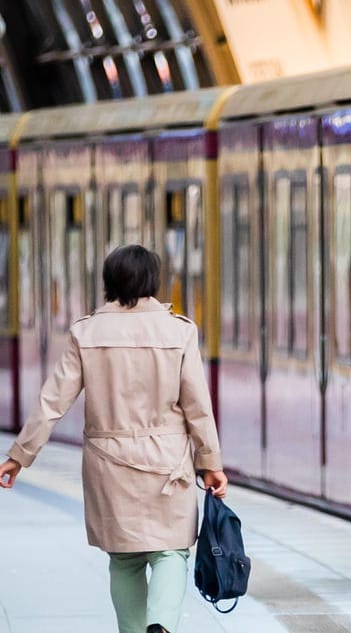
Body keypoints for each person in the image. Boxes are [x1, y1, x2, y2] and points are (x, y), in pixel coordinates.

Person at [0, 244, 228, 633]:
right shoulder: (179, 332)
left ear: (108, 282)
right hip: (167, 463)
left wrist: (20, 456)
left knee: (124, 559)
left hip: (108, 464)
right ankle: (161, 625)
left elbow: (52, 402)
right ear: (154, 282)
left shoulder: (86, 332)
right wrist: (210, 465)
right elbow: (197, 408)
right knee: (170, 551)